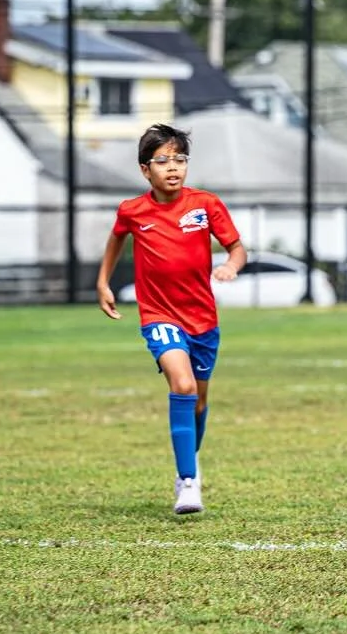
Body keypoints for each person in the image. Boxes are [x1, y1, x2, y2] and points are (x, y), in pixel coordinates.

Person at [96, 123, 246, 516]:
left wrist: (230, 265)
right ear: (145, 170)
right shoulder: (132, 210)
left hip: (203, 320)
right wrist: (103, 281)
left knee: (198, 402)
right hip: (159, 315)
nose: (173, 167)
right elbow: (116, 238)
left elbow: (236, 247)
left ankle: (188, 461)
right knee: (182, 385)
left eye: (180, 159)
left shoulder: (205, 204)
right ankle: (188, 481)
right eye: (163, 161)